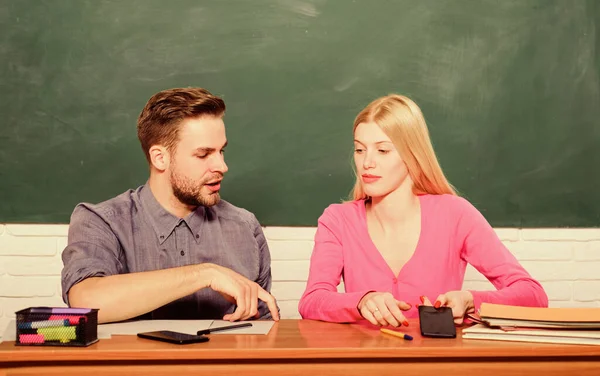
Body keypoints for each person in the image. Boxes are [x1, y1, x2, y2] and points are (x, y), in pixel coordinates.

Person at [298, 94, 547, 327]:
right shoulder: (338, 220)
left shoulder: (455, 214)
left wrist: (471, 300)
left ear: (412, 154)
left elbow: (533, 295)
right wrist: (362, 300)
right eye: (360, 149)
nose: (367, 162)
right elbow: (312, 300)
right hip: (367, 364)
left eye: (382, 150)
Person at [61, 87, 279, 324]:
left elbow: (264, 329)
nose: (222, 166)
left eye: (221, 151)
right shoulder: (101, 221)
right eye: (204, 154)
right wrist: (204, 273)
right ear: (160, 158)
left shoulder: (245, 226)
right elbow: (86, 300)